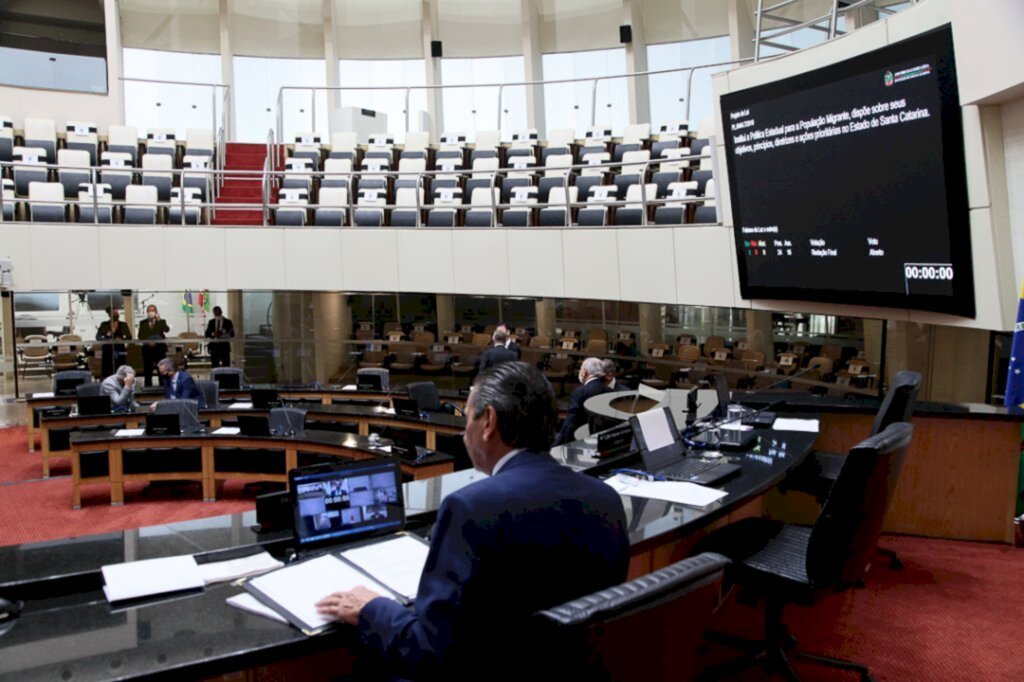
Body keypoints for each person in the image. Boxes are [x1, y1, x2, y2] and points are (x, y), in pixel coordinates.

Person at [315, 361, 629, 680]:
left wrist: (372, 608)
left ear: (488, 421)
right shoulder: (605, 499)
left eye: (467, 418)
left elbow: (428, 652)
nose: (465, 432)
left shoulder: (470, 508)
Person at [554, 357, 611, 445]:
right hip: (602, 441)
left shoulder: (580, 392)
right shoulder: (610, 392)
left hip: (579, 440)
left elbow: (571, 422)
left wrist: (557, 445)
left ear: (584, 372)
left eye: (580, 369)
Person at [138, 304, 170, 387]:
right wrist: (148, 341)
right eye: (149, 311)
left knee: (161, 369)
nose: (151, 312)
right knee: (148, 370)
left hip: (159, 349)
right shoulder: (143, 323)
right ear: (147, 312)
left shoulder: (162, 321)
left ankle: (163, 387)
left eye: (152, 310)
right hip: (147, 350)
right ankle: (148, 388)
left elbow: (166, 330)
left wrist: (158, 320)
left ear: (156, 312)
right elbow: (140, 336)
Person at [95, 307, 131, 378]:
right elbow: (98, 337)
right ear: (109, 314)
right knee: (107, 368)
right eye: (114, 313)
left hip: (120, 349)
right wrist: (106, 339)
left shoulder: (123, 324)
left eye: (117, 313)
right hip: (107, 349)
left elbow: (129, 337)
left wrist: (121, 339)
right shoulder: (104, 324)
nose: (116, 314)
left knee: (121, 367)